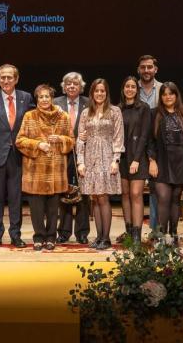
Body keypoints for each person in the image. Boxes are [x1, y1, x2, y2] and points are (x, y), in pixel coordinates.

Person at [0, 64, 33, 248]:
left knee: (16, 198)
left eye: (9, 77)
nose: (6, 80)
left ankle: (16, 235)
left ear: (16, 79)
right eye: (2, 77)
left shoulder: (26, 98)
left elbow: (33, 125)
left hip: (19, 156)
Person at [16, 84, 75, 250]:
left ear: (52, 98)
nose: (44, 100)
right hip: (35, 171)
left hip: (56, 171)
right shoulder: (30, 116)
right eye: (40, 97)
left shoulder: (63, 116)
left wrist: (61, 140)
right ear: (37, 99)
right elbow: (19, 141)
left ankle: (51, 237)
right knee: (36, 209)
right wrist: (38, 145)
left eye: (47, 97)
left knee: (52, 209)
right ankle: (38, 237)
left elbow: (72, 141)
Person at [75, 79, 123, 250]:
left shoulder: (115, 111)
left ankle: (106, 237)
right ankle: (98, 236)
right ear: (92, 93)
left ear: (106, 93)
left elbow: (118, 137)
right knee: (94, 198)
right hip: (90, 159)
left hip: (107, 156)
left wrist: (115, 160)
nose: (100, 94)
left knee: (103, 197)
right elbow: (80, 140)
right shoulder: (85, 113)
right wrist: (80, 162)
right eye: (97, 91)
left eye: (102, 91)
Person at [148, 82, 183, 239]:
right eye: (164, 94)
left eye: (171, 93)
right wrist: (152, 160)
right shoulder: (154, 114)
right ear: (161, 97)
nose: (168, 97)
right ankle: (161, 235)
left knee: (175, 200)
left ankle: (173, 234)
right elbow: (150, 140)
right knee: (163, 199)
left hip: (181, 162)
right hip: (162, 162)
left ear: (176, 95)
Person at [55, 72, 91, 244]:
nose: (71, 86)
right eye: (68, 83)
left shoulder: (89, 103)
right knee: (64, 191)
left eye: (75, 84)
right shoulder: (56, 103)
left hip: (84, 153)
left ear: (80, 86)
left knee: (83, 193)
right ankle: (63, 231)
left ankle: (82, 232)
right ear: (64, 86)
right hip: (62, 153)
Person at [118, 76, 151, 243]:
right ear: (123, 89)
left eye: (132, 86)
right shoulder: (118, 109)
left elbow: (145, 135)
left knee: (135, 194)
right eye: (127, 86)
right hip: (122, 157)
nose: (129, 89)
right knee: (124, 194)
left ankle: (137, 235)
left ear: (137, 90)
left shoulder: (143, 108)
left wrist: (137, 159)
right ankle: (129, 231)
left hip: (137, 156)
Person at [137, 55, 163, 230]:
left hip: (158, 145)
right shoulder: (131, 87)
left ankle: (156, 232)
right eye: (143, 67)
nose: (146, 70)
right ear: (139, 69)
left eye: (149, 67)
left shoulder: (163, 89)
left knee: (155, 190)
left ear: (155, 69)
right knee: (134, 192)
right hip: (136, 144)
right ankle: (134, 232)